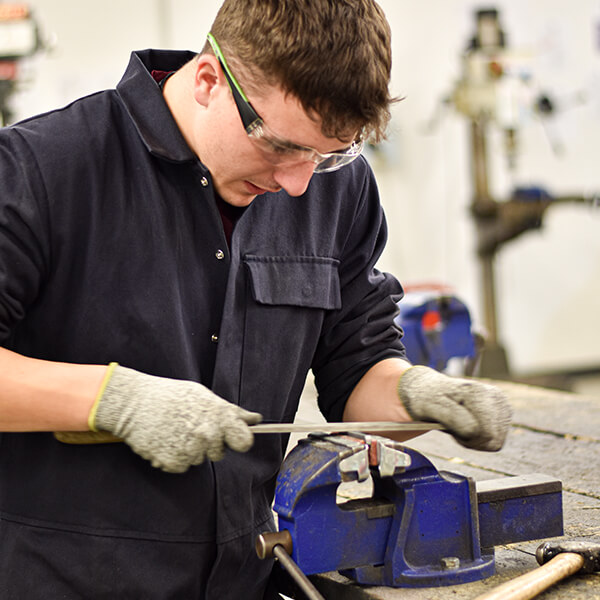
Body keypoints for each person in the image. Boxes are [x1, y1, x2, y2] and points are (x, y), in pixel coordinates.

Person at [0, 0, 511, 598]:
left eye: (329, 152)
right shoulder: (43, 170)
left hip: (243, 578)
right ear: (211, 79)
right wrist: (111, 400)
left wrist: (416, 394)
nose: (297, 182)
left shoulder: (334, 187)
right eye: (279, 146)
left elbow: (356, 370)